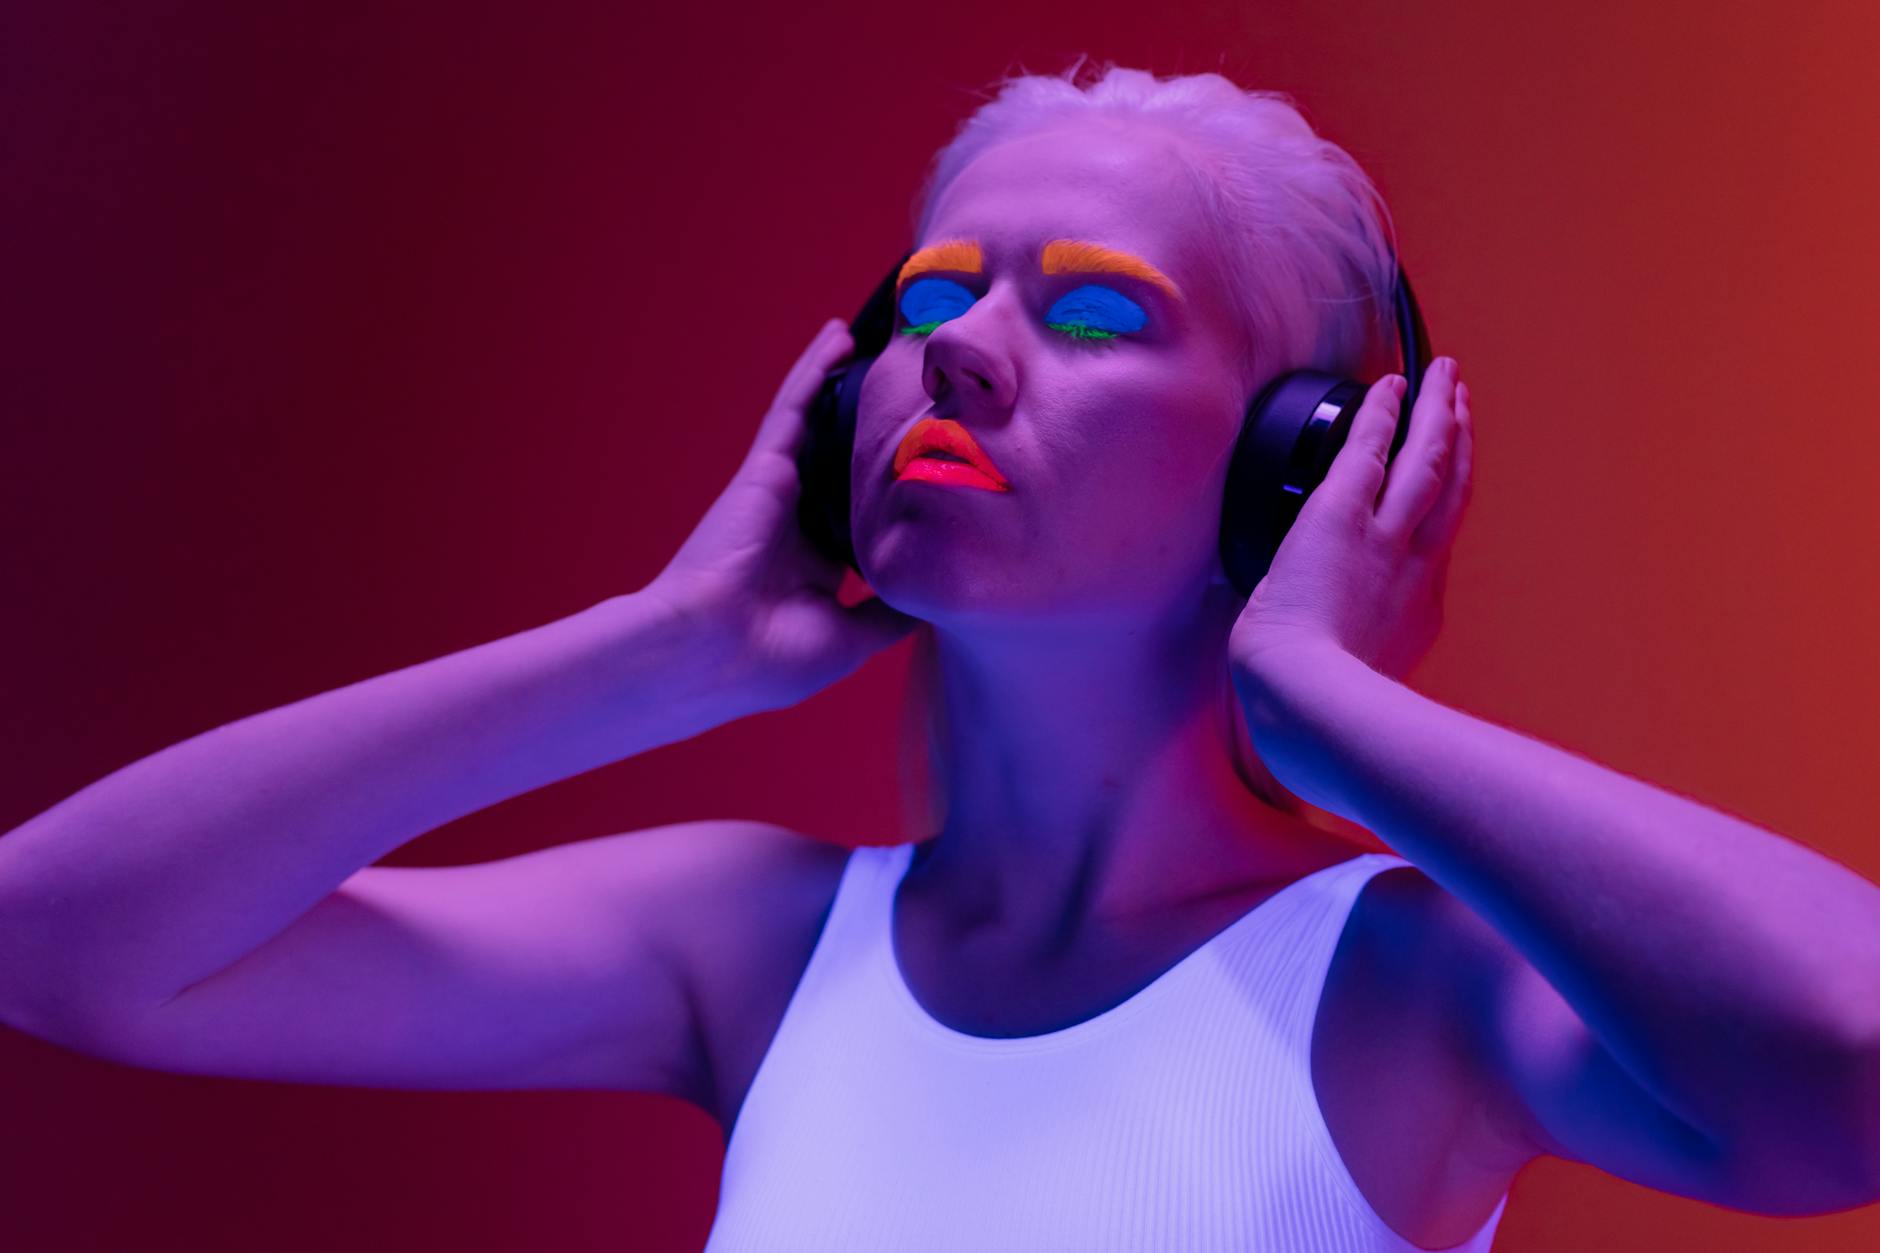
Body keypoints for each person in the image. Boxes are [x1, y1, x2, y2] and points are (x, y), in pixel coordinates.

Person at [4, 59, 1876, 1253]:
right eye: (927, 299)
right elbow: (59, 940)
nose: (964, 350)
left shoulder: (1404, 983)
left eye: (1089, 309)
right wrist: (653, 654)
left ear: (1293, 459)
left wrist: (1334, 713)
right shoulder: (748, 944)